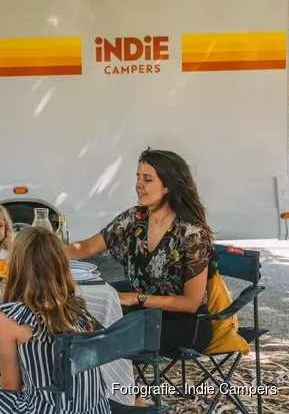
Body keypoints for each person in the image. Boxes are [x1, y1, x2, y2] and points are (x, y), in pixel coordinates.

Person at [65, 148, 218, 357]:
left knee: (96, 338)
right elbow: (87, 248)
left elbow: (191, 303)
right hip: (141, 315)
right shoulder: (134, 218)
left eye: (147, 179)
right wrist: (41, 255)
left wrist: (137, 298)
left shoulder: (192, 234)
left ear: (168, 186)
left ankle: (104, 377)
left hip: (183, 324)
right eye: (138, 177)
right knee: (75, 315)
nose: (138, 185)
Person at [0, 226, 111, 414]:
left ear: (16, 266)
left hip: (46, 409)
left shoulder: (11, 317)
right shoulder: (78, 307)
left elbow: (10, 386)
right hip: (96, 409)